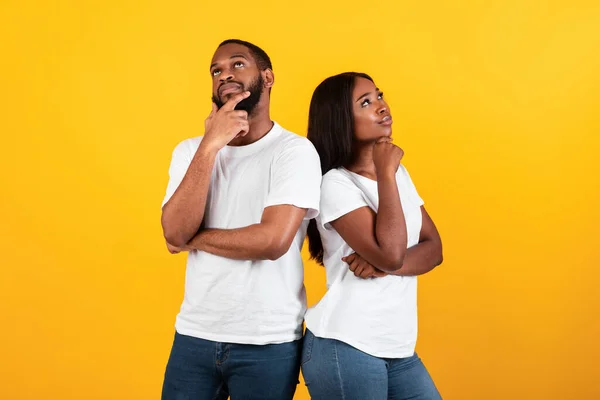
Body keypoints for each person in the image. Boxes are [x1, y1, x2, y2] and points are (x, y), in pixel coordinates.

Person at [159, 39, 321, 400]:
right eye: (216, 70)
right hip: (194, 335)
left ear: (268, 77)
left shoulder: (294, 152)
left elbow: (272, 242)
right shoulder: (190, 151)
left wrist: (193, 238)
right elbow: (173, 230)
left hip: (267, 340)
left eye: (237, 65)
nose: (224, 75)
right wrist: (210, 145)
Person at [301, 72, 443, 399]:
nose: (381, 106)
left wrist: (385, 264)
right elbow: (393, 252)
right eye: (366, 102)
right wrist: (384, 173)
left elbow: (434, 248)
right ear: (341, 122)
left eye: (379, 96)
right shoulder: (334, 184)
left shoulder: (398, 173)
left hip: (398, 348)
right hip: (346, 345)